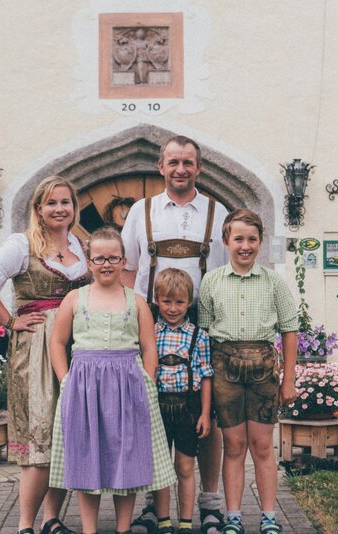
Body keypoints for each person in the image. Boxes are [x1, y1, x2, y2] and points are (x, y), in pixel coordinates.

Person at [0, 175, 90, 534]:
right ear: (39, 208)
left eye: (65, 202)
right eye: (51, 203)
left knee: (65, 435)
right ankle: (25, 525)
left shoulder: (80, 245)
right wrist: (9, 321)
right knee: (38, 438)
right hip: (36, 345)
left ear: (73, 207)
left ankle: (52, 519)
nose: (59, 209)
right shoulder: (22, 245)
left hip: (75, 345)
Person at [121, 134, 229, 534]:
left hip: (202, 320)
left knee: (209, 413)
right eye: (173, 162)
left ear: (199, 167)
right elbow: (129, 271)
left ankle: (210, 501)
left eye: (188, 162)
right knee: (154, 410)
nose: (180, 169)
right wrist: (134, 321)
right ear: (160, 166)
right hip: (150, 319)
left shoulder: (218, 213)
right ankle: (155, 502)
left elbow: (223, 273)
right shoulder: (140, 210)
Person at [49, 227, 177, 534]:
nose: (106, 264)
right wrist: (66, 380)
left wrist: (146, 380)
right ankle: (89, 529)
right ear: (89, 263)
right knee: (86, 455)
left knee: (127, 456)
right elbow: (57, 342)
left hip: (128, 386)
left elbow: (148, 347)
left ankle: (123, 528)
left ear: (123, 261)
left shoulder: (136, 301)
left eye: (113, 258)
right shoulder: (74, 299)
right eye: (99, 258)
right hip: (84, 387)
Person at [198, 209, 298, 534]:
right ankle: (233, 516)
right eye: (238, 238)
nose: (245, 246)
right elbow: (203, 334)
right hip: (224, 367)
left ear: (260, 242)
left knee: (262, 446)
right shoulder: (211, 282)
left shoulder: (273, 282)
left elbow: (290, 329)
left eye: (252, 239)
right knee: (234, 445)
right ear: (226, 241)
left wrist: (289, 381)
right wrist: (206, 386)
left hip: (263, 370)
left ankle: (269, 516)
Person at [149, 268, 214, 534]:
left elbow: (206, 375)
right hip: (158, 408)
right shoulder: (151, 333)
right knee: (162, 468)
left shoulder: (199, 336)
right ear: (156, 300)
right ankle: (164, 521)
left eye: (179, 302)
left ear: (189, 303)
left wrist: (205, 413)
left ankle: (186, 522)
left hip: (188, 408)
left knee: (185, 466)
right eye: (167, 301)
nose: (173, 308)